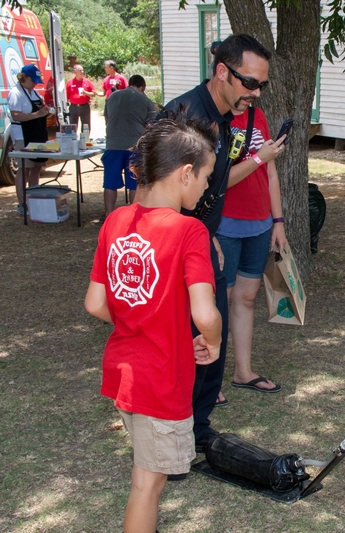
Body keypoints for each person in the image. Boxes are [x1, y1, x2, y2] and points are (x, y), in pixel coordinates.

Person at [83, 113, 222, 533]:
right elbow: (205, 313)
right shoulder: (189, 231)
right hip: (161, 378)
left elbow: (95, 303)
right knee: (147, 483)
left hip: (125, 371)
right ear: (185, 174)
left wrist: (139, 321)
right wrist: (211, 342)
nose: (206, 187)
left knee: (150, 476)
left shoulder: (115, 221)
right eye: (206, 177)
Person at [161, 34, 272, 453]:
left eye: (262, 84)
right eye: (249, 82)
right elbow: (158, 193)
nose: (256, 93)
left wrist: (210, 234)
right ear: (222, 72)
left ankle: (198, 426)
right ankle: (172, 436)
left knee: (211, 336)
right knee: (182, 342)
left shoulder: (231, 118)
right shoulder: (184, 117)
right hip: (175, 245)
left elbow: (214, 186)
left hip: (202, 239)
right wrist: (190, 237)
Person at [214, 105, 288, 399]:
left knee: (246, 298)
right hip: (224, 226)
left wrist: (278, 221)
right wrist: (259, 157)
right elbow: (216, 181)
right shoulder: (212, 117)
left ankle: (243, 372)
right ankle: (210, 380)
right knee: (219, 302)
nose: (255, 92)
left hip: (259, 225)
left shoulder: (258, 114)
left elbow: (270, 173)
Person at [101, 75, 157, 221]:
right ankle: (134, 216)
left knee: (110, 183)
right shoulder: (146, 101)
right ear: (142, 87)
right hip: (134, 147)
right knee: (134, 184)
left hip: (113, 145)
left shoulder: (112, 97)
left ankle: (108, 214)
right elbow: (151, 126)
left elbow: (107, 120)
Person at [8, 64, 52, 216]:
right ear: (23, 77)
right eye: (32, 80)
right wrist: (37, 115)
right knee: (24, 168)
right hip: (22, 135)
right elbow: (16, 115)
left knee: (37, 167)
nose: (35, 83)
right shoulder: (16, 93)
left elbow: (40, 109)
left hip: (37, 135)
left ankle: (33, 200)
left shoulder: (35, 93)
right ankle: (22, 204)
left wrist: (46, 112)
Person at [66, 64, 94, 134]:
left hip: (85, 107)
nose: (82, 72)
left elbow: (93, 94)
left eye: (82, 70)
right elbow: (67, 96)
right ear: (75, 72)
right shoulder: (69, 82)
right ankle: (73, 141)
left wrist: (85, 93)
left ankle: (85, 140)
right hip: (74, 107)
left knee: (86, 126)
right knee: (73, 126)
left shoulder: (87, 82)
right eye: (80, 70)